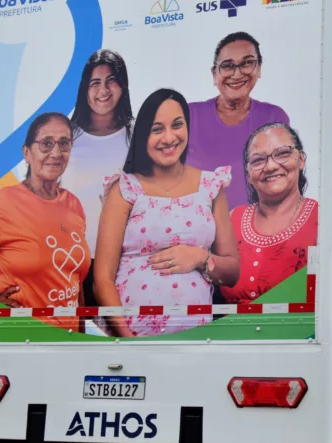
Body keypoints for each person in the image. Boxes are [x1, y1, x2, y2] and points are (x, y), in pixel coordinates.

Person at [94, 89, 240, 337]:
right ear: (143, 136)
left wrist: (199, 257)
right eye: (157, 129)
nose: (169, 137)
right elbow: (102, 280)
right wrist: (127, 340)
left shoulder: (211, 187)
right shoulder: (125, 189)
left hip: (193, 343)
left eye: (177, 125)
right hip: (131, 344)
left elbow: (232, 272)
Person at [0, 112, 89, 331]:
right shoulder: (5, 202)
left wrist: (82, 341)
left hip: (69, 346)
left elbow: (76, 282)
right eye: (46, 143)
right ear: (27, 153)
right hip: (22, 340)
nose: (56, 153)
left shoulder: (73, 204)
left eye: (64, 143)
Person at [185, 32, 290, 210]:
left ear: (259, 68)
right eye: (227, 66)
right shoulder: (188, 115)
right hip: (193, 230)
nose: (237, 73)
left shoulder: (273, 118)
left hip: (254, 230)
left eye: (247, 63)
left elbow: (282, 183)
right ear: (214, 73)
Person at [221, 123, 319, 304]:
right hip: (228, 331)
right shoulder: (232, 219)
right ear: (248, 173)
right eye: (258, 160)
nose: (271, 166)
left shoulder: (323, 221)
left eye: (282, 153)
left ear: (301, 160)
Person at [60, 49, 134, 264]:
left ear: (122, 86)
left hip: (123, 261)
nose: (103, 90)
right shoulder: (66, 135)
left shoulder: (138, 134)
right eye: (95, 83)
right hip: (69, 258)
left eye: (111, 81)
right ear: (85, 89)